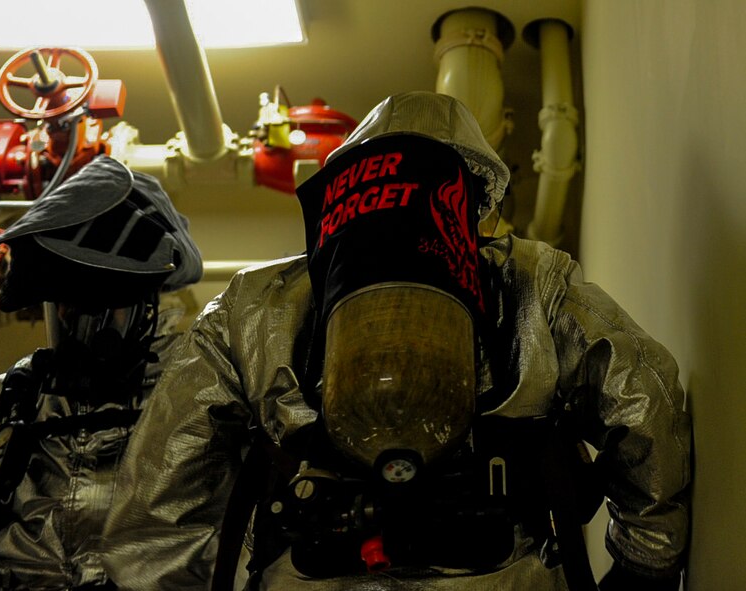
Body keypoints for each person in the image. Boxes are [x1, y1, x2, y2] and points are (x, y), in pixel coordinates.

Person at [101, 92, 691, 591]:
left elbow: (158, 498)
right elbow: (646, 395)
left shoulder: (256, 301)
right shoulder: (536, 279)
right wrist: (645, 564)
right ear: (475, 198)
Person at [0, 155, 202, 590]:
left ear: (143, 302)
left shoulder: (201, 387)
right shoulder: (12, 396)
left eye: (88, 297)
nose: (68, 314)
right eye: (58, 298)